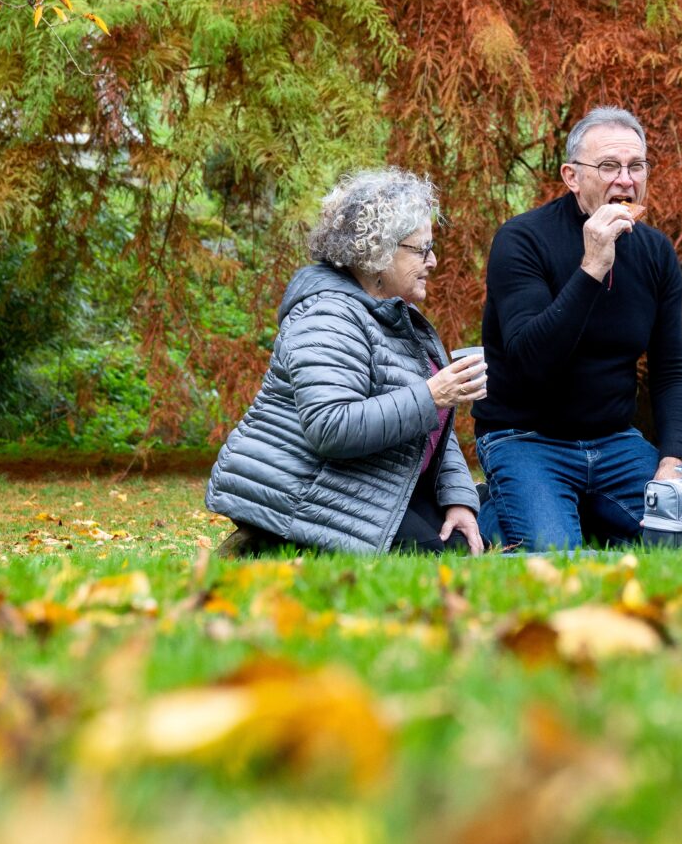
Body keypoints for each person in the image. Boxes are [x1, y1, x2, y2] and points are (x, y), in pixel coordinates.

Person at [206, 170, 485, 557]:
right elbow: (331, 427)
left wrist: (458, 499)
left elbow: (434, 427)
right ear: (378, 253)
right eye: (421, 250)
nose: (433, 261)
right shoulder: (328, 316)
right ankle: (269, 541)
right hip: (308, 489)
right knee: (433, 559)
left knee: (462, 543)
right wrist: (431, 394)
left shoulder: (392, 313)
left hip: (372, 479)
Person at [474, 107, 682, 550]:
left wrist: (673, 461)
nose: (625, 180)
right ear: (572, 176)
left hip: (614, 443)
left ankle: (580, 506)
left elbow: (671, 370)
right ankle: (500, 504)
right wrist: (592, 266)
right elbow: (530, 361)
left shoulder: (655, 252)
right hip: (526, 437)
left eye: (636, 167)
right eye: (609, 166)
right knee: (553, 553)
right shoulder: (522, 240)